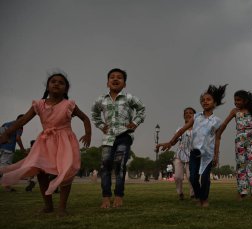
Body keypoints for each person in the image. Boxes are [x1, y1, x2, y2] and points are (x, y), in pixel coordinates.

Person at [0, 73, 91, 216]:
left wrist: (88, 134)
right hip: (45, 142)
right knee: (40, 172)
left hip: (65, 142)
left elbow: (85, 118)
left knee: (66, 172)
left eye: (61, 83)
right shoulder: (39, 104)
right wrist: (7, 133)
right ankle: (48, 206)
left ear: (66, 89)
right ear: (47, 86)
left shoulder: (69, 105)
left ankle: (62, 207)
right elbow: (22, 120)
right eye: (53, 81)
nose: (56, 84)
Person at [157, 84, 227, 207]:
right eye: (203, 100)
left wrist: (216, 155)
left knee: (205, 178)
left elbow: (218, 138)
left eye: (208, 100)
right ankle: (199, 196)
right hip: (194, 152)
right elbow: (182, 130)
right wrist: (171, 142)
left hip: (208, 154)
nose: (205, 102)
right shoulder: (196, 117)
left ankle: (204, 200)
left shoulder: (217, 121)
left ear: (214, 103)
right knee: (193, 178)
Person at [91, 68, 146, 209]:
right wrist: (101, 125)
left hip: (124, 135)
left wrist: (135, 123)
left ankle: (119, 196)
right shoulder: (101, 100)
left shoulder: (129, 98)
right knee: (105, 166)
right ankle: (106, 197)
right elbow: (94, 114)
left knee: (119, 165)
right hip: (108, 138)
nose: (115, 79)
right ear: (107, 83)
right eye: (112, 77)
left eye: (119, 78)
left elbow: (142, 109)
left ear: (124, 84)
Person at [172, 107, 196, 200]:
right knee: (178, 176)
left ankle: (192, 194)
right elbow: (174, 141)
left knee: (191, 176)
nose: (188, 114)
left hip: (192, 155)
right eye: (186, 113)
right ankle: (180, 193)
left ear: (195, 116)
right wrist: (168, 143)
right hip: (179, 155)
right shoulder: (180, 129)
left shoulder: (197, 129)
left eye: (190, 113)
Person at [0, 114, 26, 192]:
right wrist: (22, 149)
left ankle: (7, 186)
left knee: (4, 167)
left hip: (1, 147)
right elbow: (18, 138)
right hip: (8, 149)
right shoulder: (19, 126)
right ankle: (7, 187)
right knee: (5, 168)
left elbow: (1, 133)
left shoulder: (6, 123)